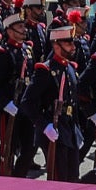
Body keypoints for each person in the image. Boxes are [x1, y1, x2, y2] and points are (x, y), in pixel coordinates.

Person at [22, 18, 83, 181]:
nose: (73, 47)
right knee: (59, 177)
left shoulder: (70, 68)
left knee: (73, 177)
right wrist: (44, 125)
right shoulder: (46, 70)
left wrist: (77, 129)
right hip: (53, 127)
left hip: (69, 128)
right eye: (69, 43)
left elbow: (74, 103)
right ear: (56, 46)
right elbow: (27, 102)